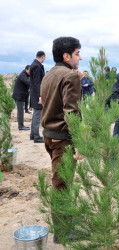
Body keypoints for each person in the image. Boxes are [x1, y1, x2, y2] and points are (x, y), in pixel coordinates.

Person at [40, 36, 83, 243]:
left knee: (61, 182)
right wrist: (80, 144)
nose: (80, 58)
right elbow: (72, 113)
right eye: (77, 54)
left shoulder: (49, 74)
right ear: (66, 56)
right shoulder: (69, 76)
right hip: (62, 139)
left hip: (49, 136)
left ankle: (66, 223)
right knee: (62, 185)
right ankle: (63, 232)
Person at [30, 51, 46, 143]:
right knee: (37, 115)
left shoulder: (34, 64)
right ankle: (36, 137)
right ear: (42, 56)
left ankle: (33, 135)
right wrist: (40, 96)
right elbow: (37, 82)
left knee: (35, 115)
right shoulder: (36, 65)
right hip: (37, 95)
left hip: (35, 94)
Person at [12, 65, 31, 130]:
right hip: (18, 96)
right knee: (20, 111)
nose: (30, 72)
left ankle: (21, 125)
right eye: (30, 71)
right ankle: (20, 126)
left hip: (21, 95)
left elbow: (26, 84)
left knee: (21, 111)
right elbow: (27, 82)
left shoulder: (25, 75)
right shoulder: (23, 75)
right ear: (26, 69)